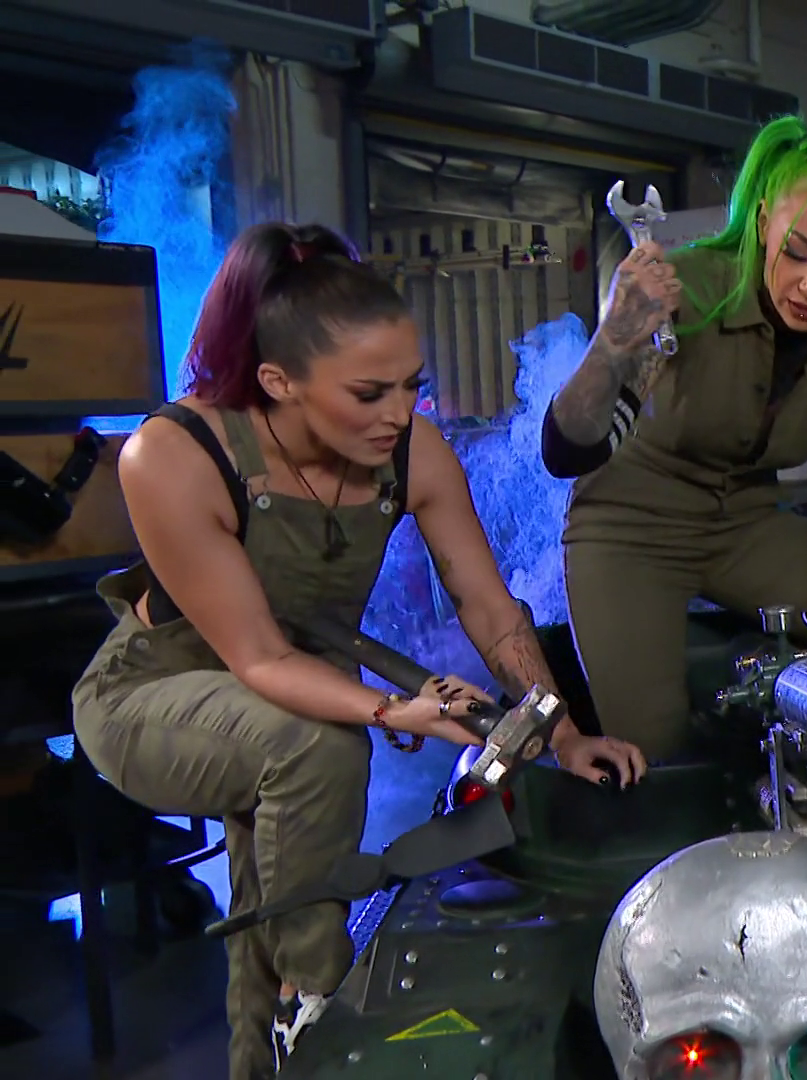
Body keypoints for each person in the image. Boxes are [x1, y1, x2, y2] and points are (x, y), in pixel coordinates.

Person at [69, 222, 646, 1080]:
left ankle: (271, 1047)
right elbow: (259, 659)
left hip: (288, 695)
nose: (399, 415)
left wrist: (558, 732)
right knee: (318, 749)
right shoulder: (176, 452)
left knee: (270, 888)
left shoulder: (412, 451)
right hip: (157, 694)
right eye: (369, 393)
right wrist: (393, 709)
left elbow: (489, 607)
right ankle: (319, 993)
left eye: (412, 386)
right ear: (279, 382)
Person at [543, 115, 807, 761]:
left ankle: (803, 755)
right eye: (797, 252)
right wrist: (612, 342)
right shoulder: (686, 287)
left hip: (748, 528)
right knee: (656, 756)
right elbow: (567, 451)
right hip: (630, 527)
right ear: (764, 220)